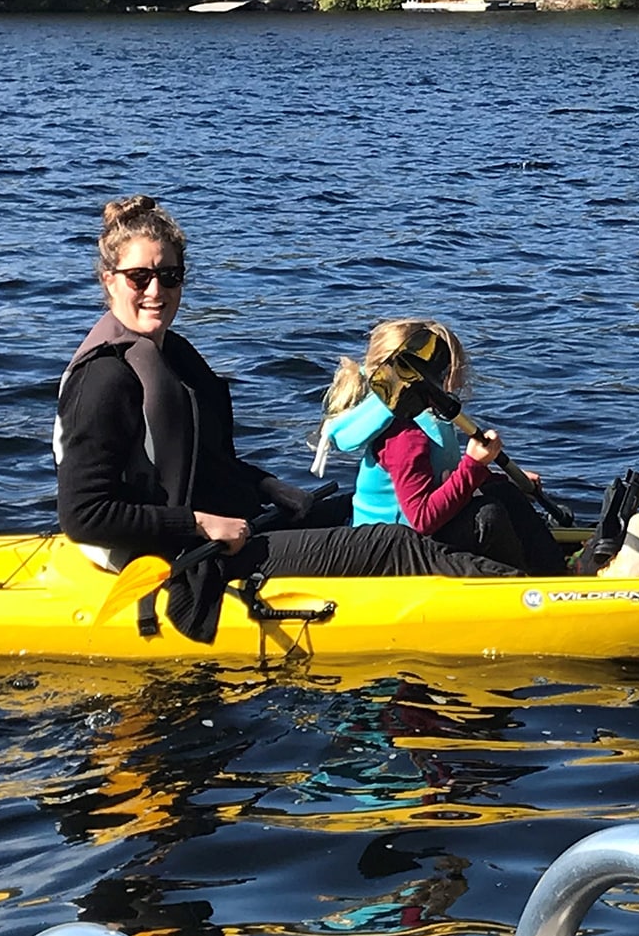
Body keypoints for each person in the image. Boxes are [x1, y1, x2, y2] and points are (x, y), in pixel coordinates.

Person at [54, 196, 517, 643]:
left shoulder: (172, 354)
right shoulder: (103, 380)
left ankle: (547, 570)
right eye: (139, 278)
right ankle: (530, 597)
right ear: (109, 280)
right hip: (181, 555)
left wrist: (266, 487)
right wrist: (198, 523)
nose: (156, 291)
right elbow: (83, 516)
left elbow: (202, 461)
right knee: (393, 542)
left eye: (170, 276)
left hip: (223, 529)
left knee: (351, 510)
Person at [316, 319, 639, 577]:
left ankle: (561, 571)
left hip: (414, 535)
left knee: (504, 495)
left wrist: (490, 476)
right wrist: (474, 468)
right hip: (394, 553)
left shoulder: (423, 419)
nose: (457, 378)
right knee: (487, 518)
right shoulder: (404, 436)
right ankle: (545, 583)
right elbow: (420, 519)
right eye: (448, 370)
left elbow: (441, 477)